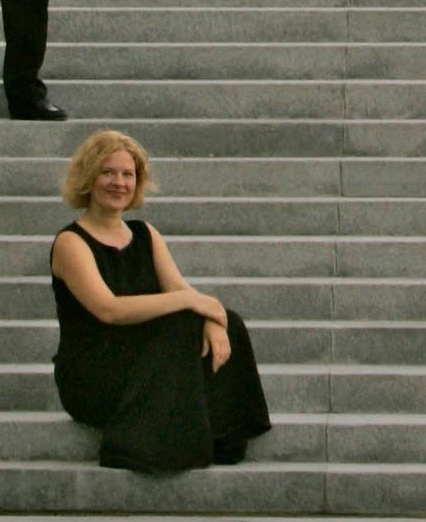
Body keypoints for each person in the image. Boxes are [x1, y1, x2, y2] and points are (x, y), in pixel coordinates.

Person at [51, 130, 272, 472]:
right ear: (88, 178)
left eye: (128, 174)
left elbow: (182, 291)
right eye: (107, 172)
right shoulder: (71, 242)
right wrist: (190, 303)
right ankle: (135, 446)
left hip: (139, 359)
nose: (119, 183)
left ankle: (221, 437)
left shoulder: (145, 234)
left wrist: (213, 318)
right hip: (92, 375)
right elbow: (109, 309)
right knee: (183, 320)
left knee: (230, 323)